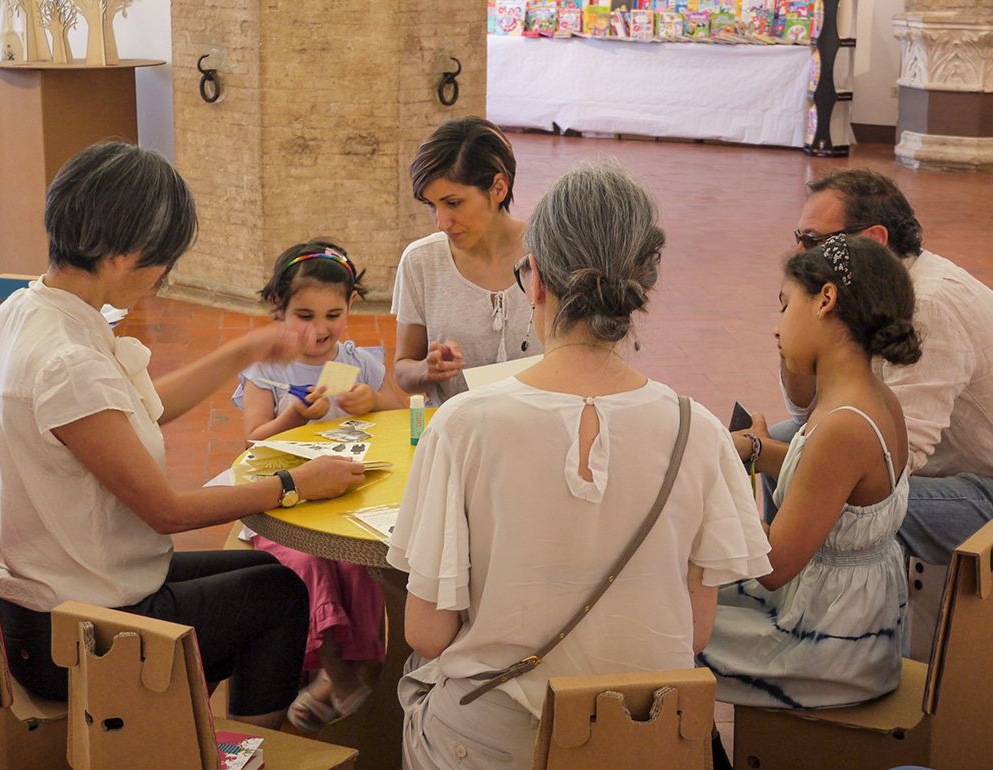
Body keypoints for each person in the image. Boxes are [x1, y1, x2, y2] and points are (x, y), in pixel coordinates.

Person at [386, 163, 771, 769]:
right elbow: (694, 636)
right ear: (643, 285)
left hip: (495, 742)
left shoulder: (464, 424)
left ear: (535, 279)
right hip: (642, 741)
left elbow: (427, 634)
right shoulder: (698, 430)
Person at [0, 142, 365, 730]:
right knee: (280, 602)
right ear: (126, 256)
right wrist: (295, 483)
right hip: (78, 627)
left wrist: (248, 348)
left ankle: (198, 729)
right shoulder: (66, 360)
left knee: (274, 578)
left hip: (64, 589)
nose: (164, 278)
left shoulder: (25, 311)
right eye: (164, 263)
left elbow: (141, 408)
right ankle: (235, 749)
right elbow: (165, 511)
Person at [699, 234, 921, 709]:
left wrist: (700, 501)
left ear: (825, 299)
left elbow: (774, 565)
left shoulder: (843, 426)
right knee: (687, 593)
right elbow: (827, 483)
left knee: (664, 620)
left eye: (784, 306)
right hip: (855, 623)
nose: (777, 328)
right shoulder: (876, 398)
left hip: (829, 645)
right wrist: (758, 448)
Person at [771, 168, 993, 565]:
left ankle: (815, 604)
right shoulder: (863, 290)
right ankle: (786, 593)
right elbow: (808, 413)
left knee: (834, 504)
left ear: (872, 239)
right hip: (929, 465)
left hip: (982, 490)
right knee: (785, 441)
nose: (802, 254)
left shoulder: (928, 304)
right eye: (798, 238)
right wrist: (795, 330)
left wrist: (762, 452)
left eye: (813, 241)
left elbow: (896, 461)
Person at [232, 239, 404, 731]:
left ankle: (364, 670)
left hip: (342, 499)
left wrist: (373, 402)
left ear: (351, 306)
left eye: (333, 315)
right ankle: (333, 669)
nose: (320, 329)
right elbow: (251, 444)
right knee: (308, 561)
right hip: (281, 506)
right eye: (304, 315)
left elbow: (399, 417)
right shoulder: (267, 369)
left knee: (357, 559)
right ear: (278, 309)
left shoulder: (359, 362)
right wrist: (291, 416)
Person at [391, 116, 542, 406]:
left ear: (499, 188)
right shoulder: (421, 262)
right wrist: (427, 368)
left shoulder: (553, 255)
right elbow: (403, 368)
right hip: (454, 439)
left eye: (453, 203)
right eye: (431, 206)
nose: (441, 222)